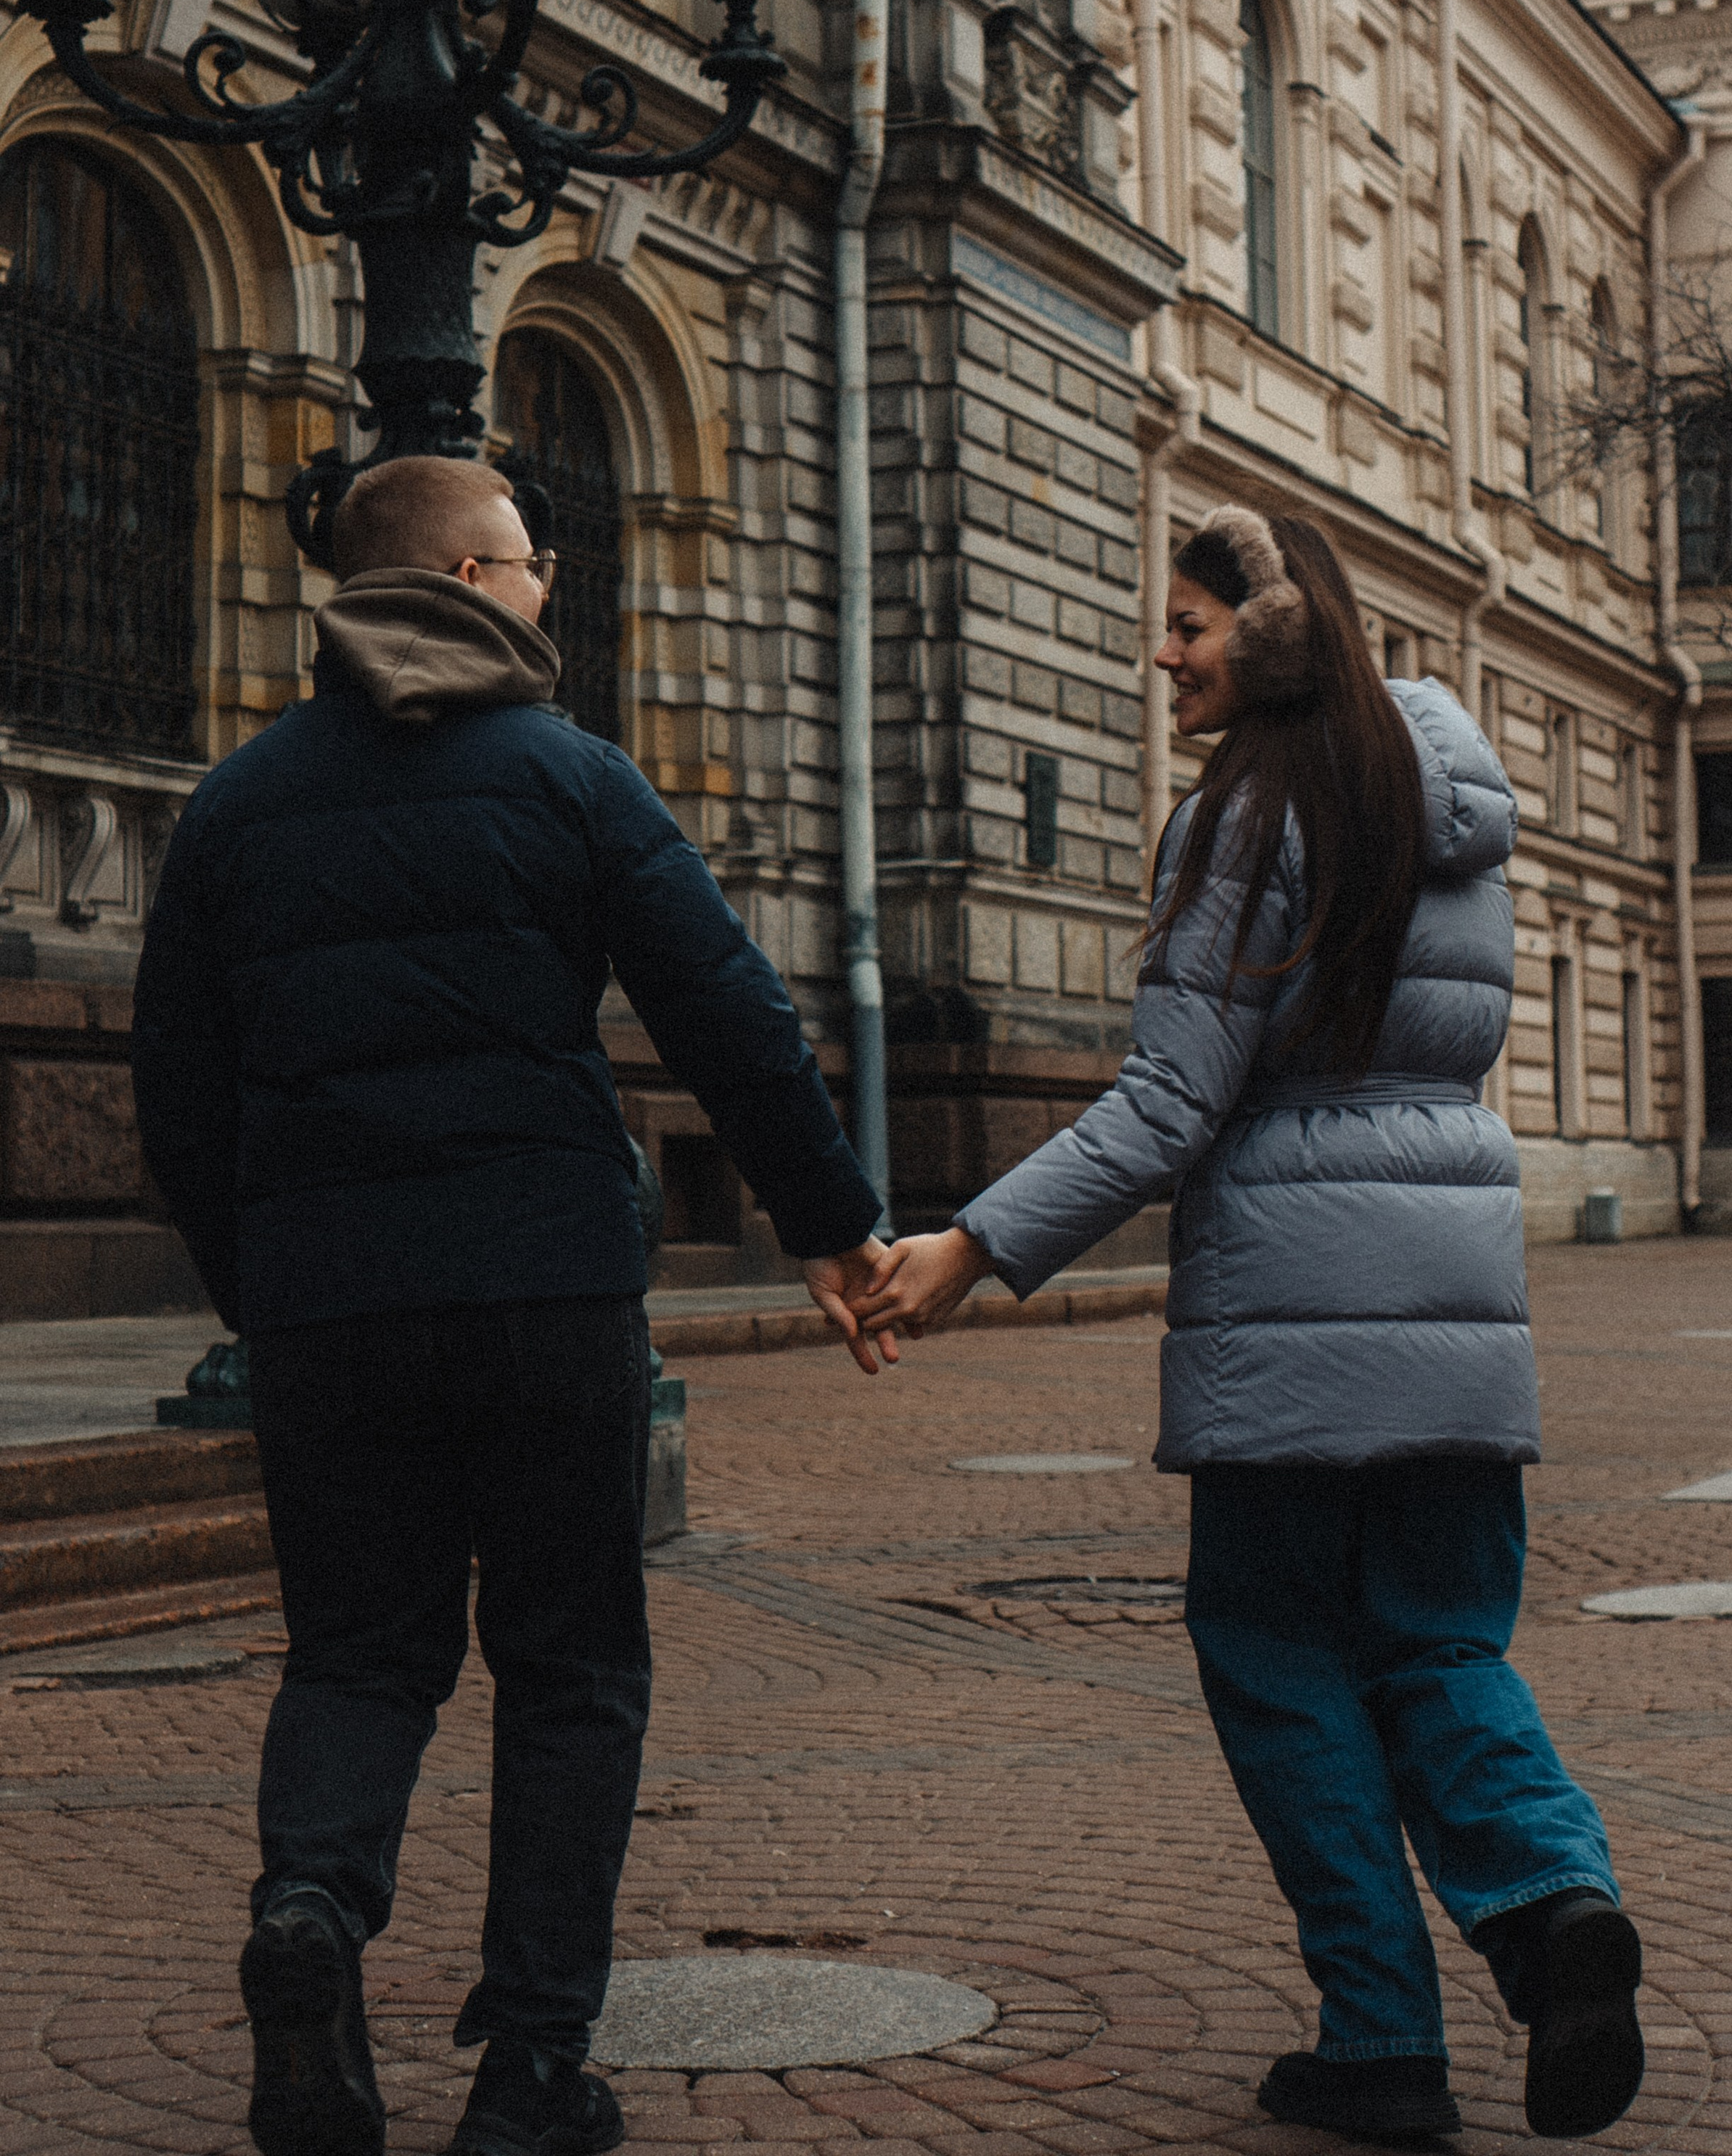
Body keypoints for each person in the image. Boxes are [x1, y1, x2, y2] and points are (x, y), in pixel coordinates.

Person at [132, 456, 896, 2156]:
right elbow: (728, 1014)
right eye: (539, 565)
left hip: (330, 1306)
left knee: (356, 1651)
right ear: (479, 575)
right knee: (569, 1672)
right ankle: (532, 2069)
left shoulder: (239, 806)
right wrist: (832, 1227)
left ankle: (312, 1913)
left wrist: (267, 1284)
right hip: (545, 1286)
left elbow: (174, 1090)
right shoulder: (570, 777)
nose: (554, 587)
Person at [859, 505, 1644, 2147]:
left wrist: (971, 1247)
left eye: (1189, 623)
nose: (1164, 653)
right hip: (1454, 1297)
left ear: (1272, 632)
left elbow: (1166, 1108)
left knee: (1279, 1659)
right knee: (1438, 1641)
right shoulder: (1447, 808)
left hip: (1290, 1314)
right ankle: (1552, 1901)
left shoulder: (1243, 817)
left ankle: (1379, 2040)